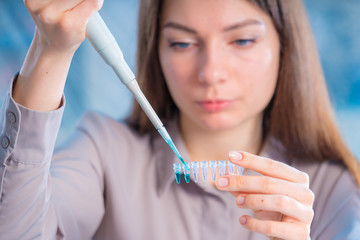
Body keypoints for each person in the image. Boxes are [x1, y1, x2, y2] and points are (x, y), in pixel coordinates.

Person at [0, 0, 359, 239]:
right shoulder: (103, 150)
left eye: (243, 40)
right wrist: (51, 49)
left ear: (286, 44)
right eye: (182, 44)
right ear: (155, 51)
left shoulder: (333, 192)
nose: (211, 72)